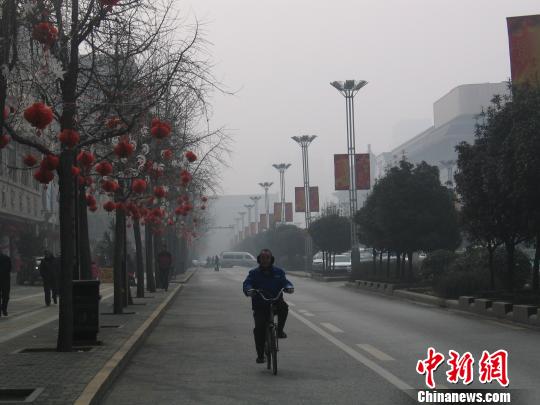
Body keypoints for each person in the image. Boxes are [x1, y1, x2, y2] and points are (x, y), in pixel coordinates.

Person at [242, 249, 294, 364]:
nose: (265, 260)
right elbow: (247, 283)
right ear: (259, 259)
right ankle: (260, 355)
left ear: (271, 259)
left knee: (284, 307)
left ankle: (280, 331)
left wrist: (289, 287)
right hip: (260, 304)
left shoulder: (279, 272)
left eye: (267, 258)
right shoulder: (253, 273)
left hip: (275, 301)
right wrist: (249, 290)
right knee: (259, 329)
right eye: (262, 258)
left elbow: (285, 282)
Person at [0, 251, 12, 317]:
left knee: (5, 296)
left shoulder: (6, 258)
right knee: (5, 296)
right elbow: (9, 268)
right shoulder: (6, 258)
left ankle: (2, 309)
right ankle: (4, 309)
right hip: (5, 279)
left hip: (5, 279)